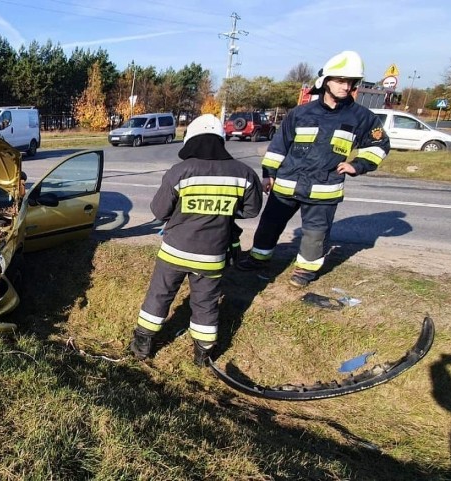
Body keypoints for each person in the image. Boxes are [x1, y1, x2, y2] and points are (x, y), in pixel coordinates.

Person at [237, 51, 391, 287]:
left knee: (315, 234)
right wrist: (269, 175)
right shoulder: (300, 113)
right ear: (326, 81)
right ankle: (259, 258)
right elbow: (279, 146)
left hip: (324, 189)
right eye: (340, 80)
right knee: (269, 225)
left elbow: (379, 144)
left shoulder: (362, 117)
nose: (346, 87)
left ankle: (305, 272)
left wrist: (357, 165)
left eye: (350, 82)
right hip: (286, 184)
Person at [130, 114, 262, 366]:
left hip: (174, 252)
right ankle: (203, 355)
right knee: (206, 303)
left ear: (190, 140)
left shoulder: (180, 171)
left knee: (159, 295)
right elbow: (250, 210)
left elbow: (159, 211)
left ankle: (142, 345)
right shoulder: (243, 173)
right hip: (212, 256)